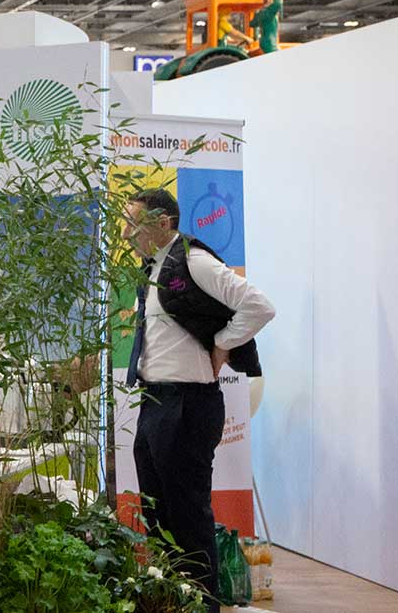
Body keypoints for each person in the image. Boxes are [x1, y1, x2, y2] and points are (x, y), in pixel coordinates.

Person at [123, 188, 275, 613]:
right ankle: (175, 599)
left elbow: (259, 306)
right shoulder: (152, 268)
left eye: (132, 222)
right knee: (156, 511)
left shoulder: (192, 259)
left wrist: (224, 344)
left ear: (162, 223)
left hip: (189, 404)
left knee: (188, 513)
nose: (125, 232)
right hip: (155, 399)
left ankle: (202, 604)